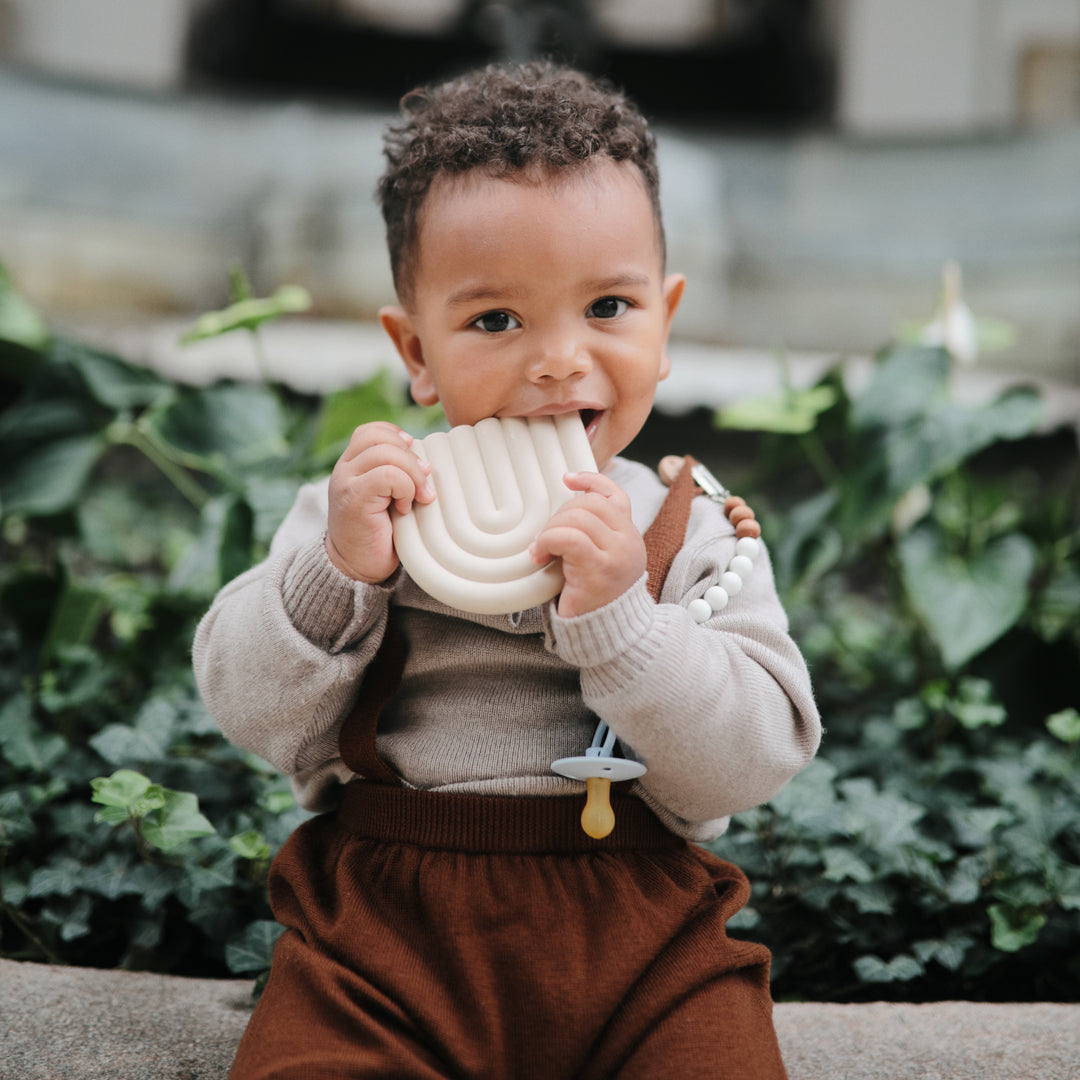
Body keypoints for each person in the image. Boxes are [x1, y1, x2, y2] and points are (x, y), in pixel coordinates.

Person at [194, 60, 820, 1080]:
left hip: (644, 937)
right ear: (417, 351)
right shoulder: (365, 510)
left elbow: (751, 759)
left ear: (666, 323)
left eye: (608, 308)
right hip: (385, 937)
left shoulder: (690, 526)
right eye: (495, 321)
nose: (559, 359)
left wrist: (625, 616)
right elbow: (247, 706)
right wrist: (338, 573)